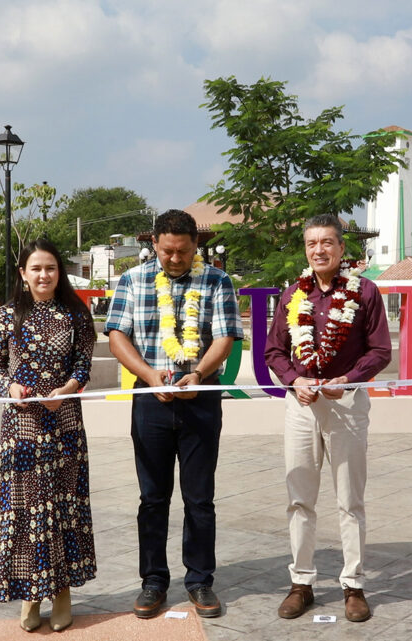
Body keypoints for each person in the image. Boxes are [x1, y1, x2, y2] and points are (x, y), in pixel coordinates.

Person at [106, 209, 244, 619]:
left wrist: (198, 373)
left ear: (195, 245)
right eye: (167, 251)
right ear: (155, 245)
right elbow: (116, 335)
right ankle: (153, 581)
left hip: (200, 398)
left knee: (200, 498)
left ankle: (200, 580)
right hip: (151, 399)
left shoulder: (217, 280)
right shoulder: (133, 279)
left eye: (183, 251)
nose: (175, 259)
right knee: (152, 497)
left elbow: (225, 337)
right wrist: (150, 376)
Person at [264, 214, 392, 623]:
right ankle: (301, 583)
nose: (319, 250)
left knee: (349, 500)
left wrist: (350, 379)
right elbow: (274, 352)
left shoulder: (365, 292)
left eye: (327, 243)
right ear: (306, 250)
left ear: (341, 248)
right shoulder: (291, 295)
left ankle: (353, 586)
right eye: (311, 244)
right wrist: (293, 380)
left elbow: (380, 350)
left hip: (347, 403)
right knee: (299, 497)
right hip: (301, 405)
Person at [0, 238, 97, 632]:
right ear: (23, 274)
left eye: (50, 268)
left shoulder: (76, 315)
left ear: (59, 272)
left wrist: (66, 389)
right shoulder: (6, 315)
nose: (44, 275)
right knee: (26, 507)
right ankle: (31, 596)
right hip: (21, 427)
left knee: (63, 505)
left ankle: (62, 592)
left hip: (65, 423)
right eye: (36, 268)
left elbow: (83, 366)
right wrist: (10, 388)